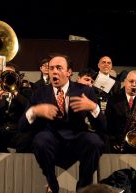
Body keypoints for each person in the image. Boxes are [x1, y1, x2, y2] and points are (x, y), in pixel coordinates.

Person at [18, 53, 106, 193]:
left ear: (69, 72)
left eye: (59, 68)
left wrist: (93, 107)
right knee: (40, 140)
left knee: (95, 142)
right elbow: (21, 126)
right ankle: (52, 184)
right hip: (51, 138)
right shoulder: (39, 93)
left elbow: (102, 126)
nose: (54, 71)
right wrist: (34, 111)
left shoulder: (85, 90)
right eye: (51, 68)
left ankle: (83, 187)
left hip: (77, 136)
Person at [105, 70, 136, 153]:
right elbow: (108, 123)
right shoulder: (113, 100)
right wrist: (113, 140)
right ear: (125, 82)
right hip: (117, 144)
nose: (134, 84)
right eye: (131, 81)